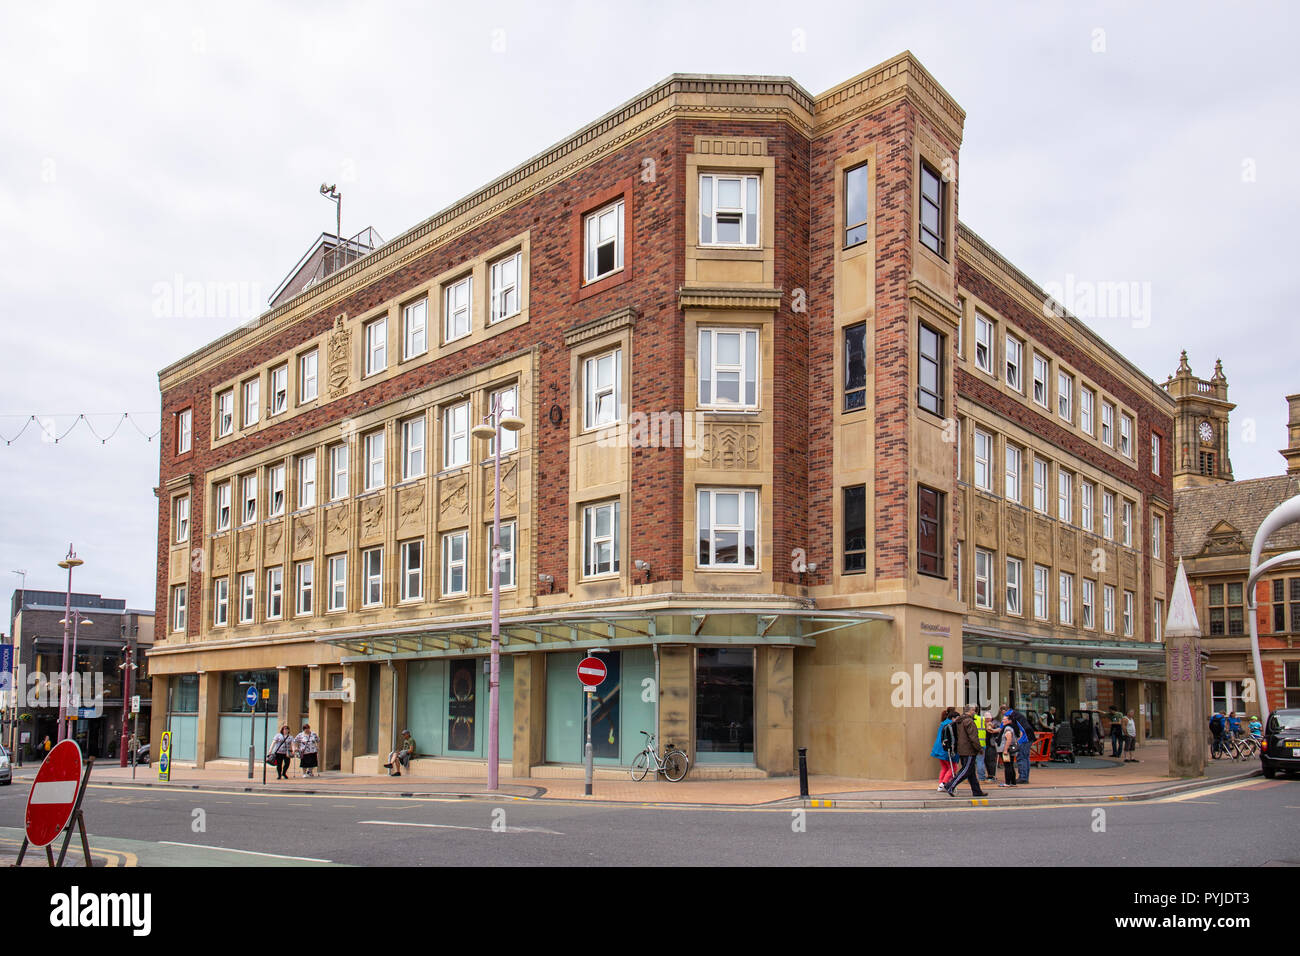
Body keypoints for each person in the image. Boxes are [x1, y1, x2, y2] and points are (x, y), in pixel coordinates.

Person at [943, 706, 988, 797]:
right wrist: (979, 748)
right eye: (973, 710)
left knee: (970, 771)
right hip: (969, 750)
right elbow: (973, 737)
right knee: (966, 770)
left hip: (962, 749)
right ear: (970, 711)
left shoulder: (960, 721)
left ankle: (977, 791)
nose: (975, 712)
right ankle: (950, 785)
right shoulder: (969, 721)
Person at [930, 708, 959, 791]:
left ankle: (941, 784)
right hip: (946, 750)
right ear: (953, 718)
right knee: (953, 768)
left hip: (939, 749)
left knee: (944, 768)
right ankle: (944, 784)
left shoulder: (943, 723)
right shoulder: (951, 725)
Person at [997, 714, 1018, 787]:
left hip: (1006, 750)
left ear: (1009, 721)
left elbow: (1008, 739)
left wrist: (1005, 750)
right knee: (1010, 765)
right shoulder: (1010, 727)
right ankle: (1013, 782)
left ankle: (1007, 782)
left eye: (1004, 719)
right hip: (1009, 749)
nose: (1002, 720)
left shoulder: (1007, 728)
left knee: (1007, 766)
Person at [973, 709, 988, 782]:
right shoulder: (982, 719)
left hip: (972, 743)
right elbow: (988, 728)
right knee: (980, 761)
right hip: (982, 743)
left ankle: (969, 778)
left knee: (971, 762)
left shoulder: (969, 719)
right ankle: (981, 777)